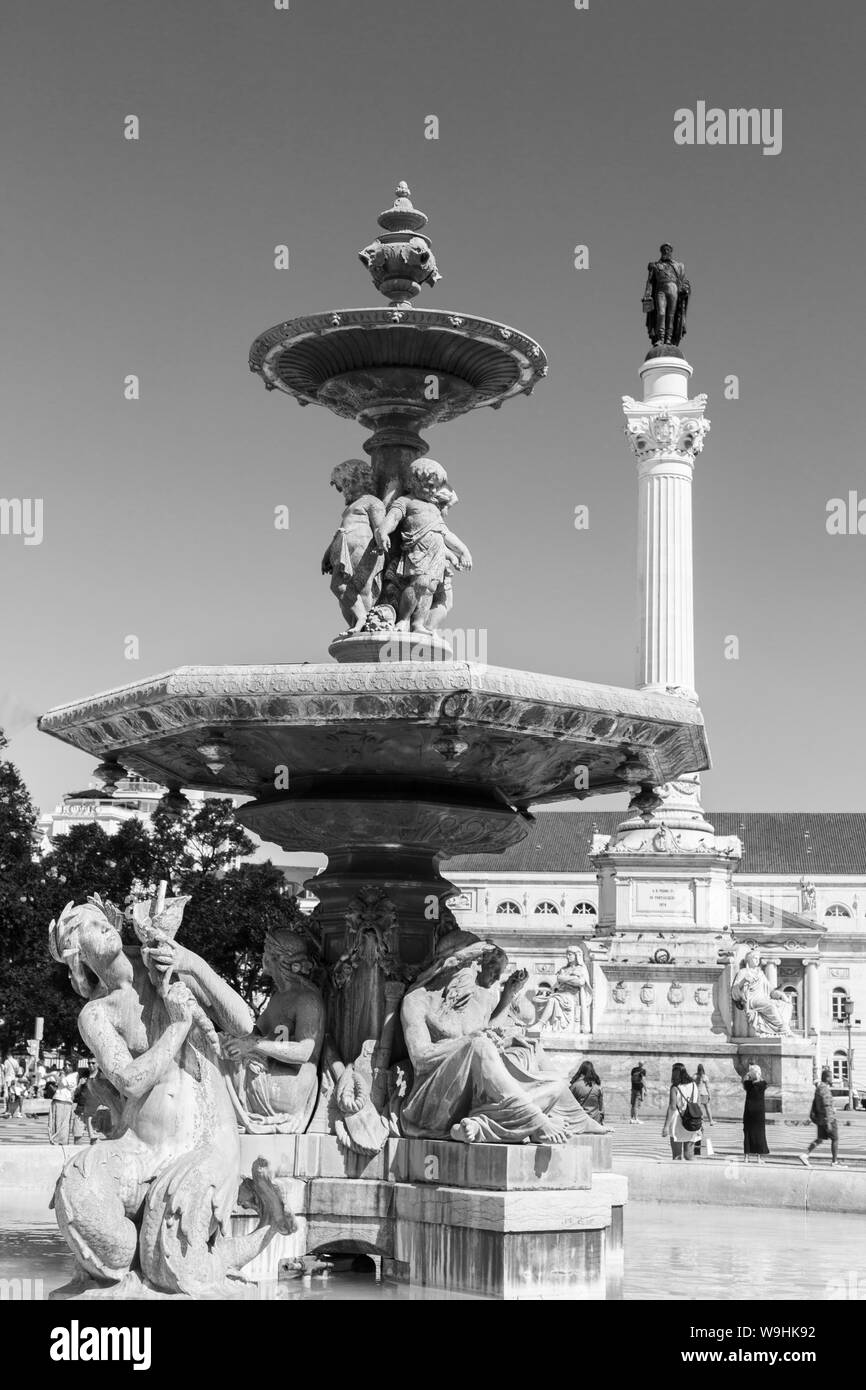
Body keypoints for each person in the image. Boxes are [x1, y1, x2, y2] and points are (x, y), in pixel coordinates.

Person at [400, 930, 609, 1144]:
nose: (489, 979)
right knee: (479, 1045)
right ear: (457, 966)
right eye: (475, 969)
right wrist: (472, 1040)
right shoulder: (417, 1000)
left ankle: (483, 1125)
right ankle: (533, 1120)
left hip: (472, 1092)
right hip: (434, 1098)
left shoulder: (477, 999)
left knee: (547, 1075)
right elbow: (421, 1057)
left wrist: (507, 1012)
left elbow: (486, 1035)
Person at [800, 1068, 845, 1168]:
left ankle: (805, 1155)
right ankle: (834, 1162)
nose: (832, 1079)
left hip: (821, 1119)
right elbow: (826, 1106)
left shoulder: (819, 1088)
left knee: (820, 1139)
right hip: (828, 1119)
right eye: (831, 1077)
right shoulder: (824, 1089)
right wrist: (828, 1122)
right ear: (827, 1078)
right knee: (835, 1139)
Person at [661, 1062, 702, 1160]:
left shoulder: (675, 1087)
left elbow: (672, 1107)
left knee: (677, 1156)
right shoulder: (693, 1085)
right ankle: (695, 1173)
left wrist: (666, 1127)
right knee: (689, 1155)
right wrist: (701, 1121)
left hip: (678, 1123)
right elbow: (698, 1104)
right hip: (692, 1121)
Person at [742, 1063, 769, 1163]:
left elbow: (744, 1081)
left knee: (747, 1133)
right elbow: (761, 1080)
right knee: (760, 1133)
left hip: (748, 1110)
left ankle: (746, 1157)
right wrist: (757, 1073)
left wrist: (749, 1074)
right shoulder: (763, 1084)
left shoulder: (748, 1084)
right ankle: (758, 1158)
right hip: (759, 1112)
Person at [48, 1064, 80, 1145]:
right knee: (55, 1122)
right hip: (57, 1099)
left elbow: (64, 1083)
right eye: (65, 1065)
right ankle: (55, 1141)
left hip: (65, 1101)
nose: (66, 1067)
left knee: (64, 1124)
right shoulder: (64, 1075)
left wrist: (61, 1075)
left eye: (69, 1065)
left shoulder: (74, 1075)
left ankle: (62, 1141)